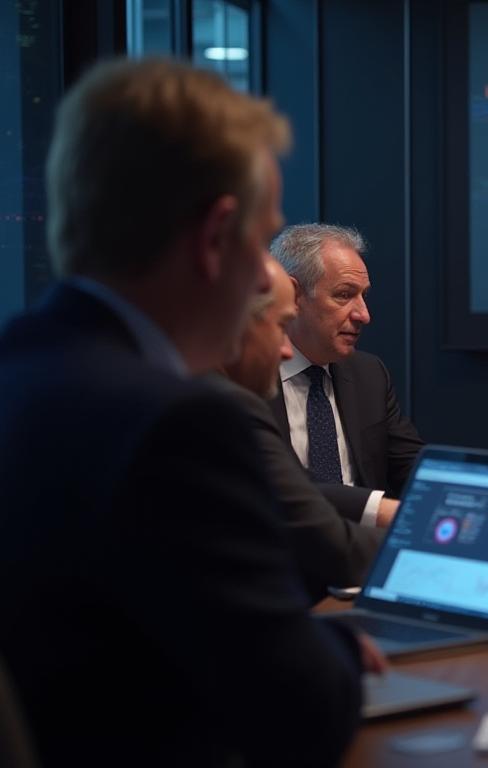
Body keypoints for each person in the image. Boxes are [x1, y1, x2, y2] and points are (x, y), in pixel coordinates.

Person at [0, 58, 370, 765]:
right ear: (214, 238)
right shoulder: (178, 427)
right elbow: (302, 710)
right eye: (261, 239)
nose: (267, 279)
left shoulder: (20, 368)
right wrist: (343, 649)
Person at [217, 258, 384, 600]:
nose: (285, 349)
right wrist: (424, 541)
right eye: (281, 326)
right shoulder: (221, 402)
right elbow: (312, 522)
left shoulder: (368, 373)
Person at [270, 223, 423, 528]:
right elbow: (277, 484)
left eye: (363, 296)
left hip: (364, 546)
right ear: (293, 295)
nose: (363, 315)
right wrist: (381, 510)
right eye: (344, 295)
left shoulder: (369, 374)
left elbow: (410, 466)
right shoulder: (244, 377)